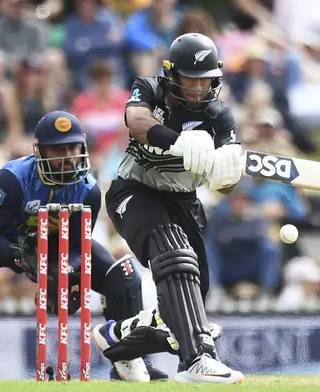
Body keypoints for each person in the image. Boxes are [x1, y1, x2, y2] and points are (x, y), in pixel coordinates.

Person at [0, 111, 166, 381]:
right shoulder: (13, 179)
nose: (67, 157)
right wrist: (21, 257)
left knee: (124, 276)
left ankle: (130, 360)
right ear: (40, 151)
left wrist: (66, 268)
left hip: (57, 243)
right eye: (57, 150)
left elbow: (79, 245)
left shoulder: (88, 190)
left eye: (72, 148)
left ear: (83, 147)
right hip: (6, 240)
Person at [95, 33, 245, 384]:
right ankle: (198, 360)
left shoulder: (220, 117)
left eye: (205, 81)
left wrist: (227, 170)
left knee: (188, 300)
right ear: (172, 76)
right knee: (174, 254)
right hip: (133, 192)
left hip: (183, 202)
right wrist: (177, 141)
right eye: (190, 81)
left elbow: (227, 184)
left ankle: (119, 338)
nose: (197, 89)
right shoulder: (148, 89)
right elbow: (137, 123)